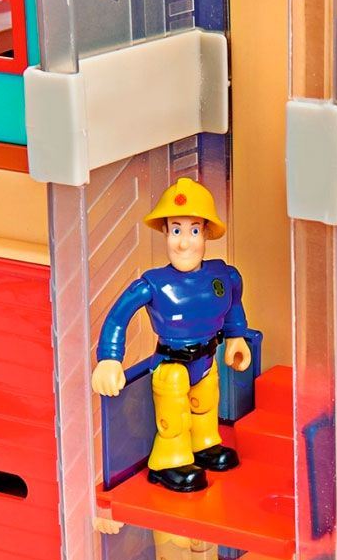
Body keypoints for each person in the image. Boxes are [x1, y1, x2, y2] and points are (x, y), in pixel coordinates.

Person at [91, 177, 252, 492]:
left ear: (206, 233)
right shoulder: (152, 284)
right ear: (165, 232)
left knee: (206, 402)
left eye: (194, 231)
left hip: (207, 358)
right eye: (176, 231)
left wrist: (236, 337)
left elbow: (233, 305)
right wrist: (109, 358)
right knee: (174, 416)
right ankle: (169, 461)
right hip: (172, 364)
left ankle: (204, 443)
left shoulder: (223, 276)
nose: (184, 243)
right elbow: (117, 317)